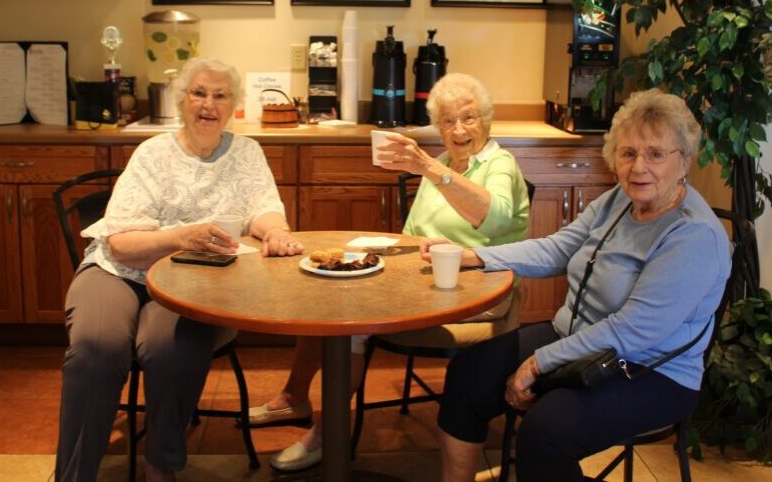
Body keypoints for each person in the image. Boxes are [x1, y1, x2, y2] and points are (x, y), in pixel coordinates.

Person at [425, 88, 731, 482]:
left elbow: (631, 331)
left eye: (656, 154)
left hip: (650, 368)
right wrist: (477, 256)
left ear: (684, 160)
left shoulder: (693, 237)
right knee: (469, 373)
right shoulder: (619, 199)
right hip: (575, 337)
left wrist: (536, 365)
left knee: (546, 433)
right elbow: (559, 249)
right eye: (628, 152)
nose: (639, 167)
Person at [255, 72, 531, 472]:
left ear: (486, 120)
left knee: (348, 321)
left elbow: (492, 217)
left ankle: (322, 436)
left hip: (481, 292)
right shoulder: (439, 164)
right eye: (448, 121)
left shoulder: (497, 164)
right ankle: (310, 414)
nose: (458, 130)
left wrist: (430, 170)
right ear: (438, 126)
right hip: (429, 284)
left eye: (469, 118)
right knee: (328, 303)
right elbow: (412, 234)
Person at [54, 58, 302, 482]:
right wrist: (179, 237)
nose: (208, 104)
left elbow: (263, 208)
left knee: (171, 348)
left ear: (233, 106)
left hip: (192, 283)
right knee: (98, 345)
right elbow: (121, 244)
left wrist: (275, 232)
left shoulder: (246, 152)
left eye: (220, 95)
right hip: (118, 272)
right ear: (182, 100)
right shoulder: (151, 153)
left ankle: (160, 465)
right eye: (199, 93)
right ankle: (75, 475)